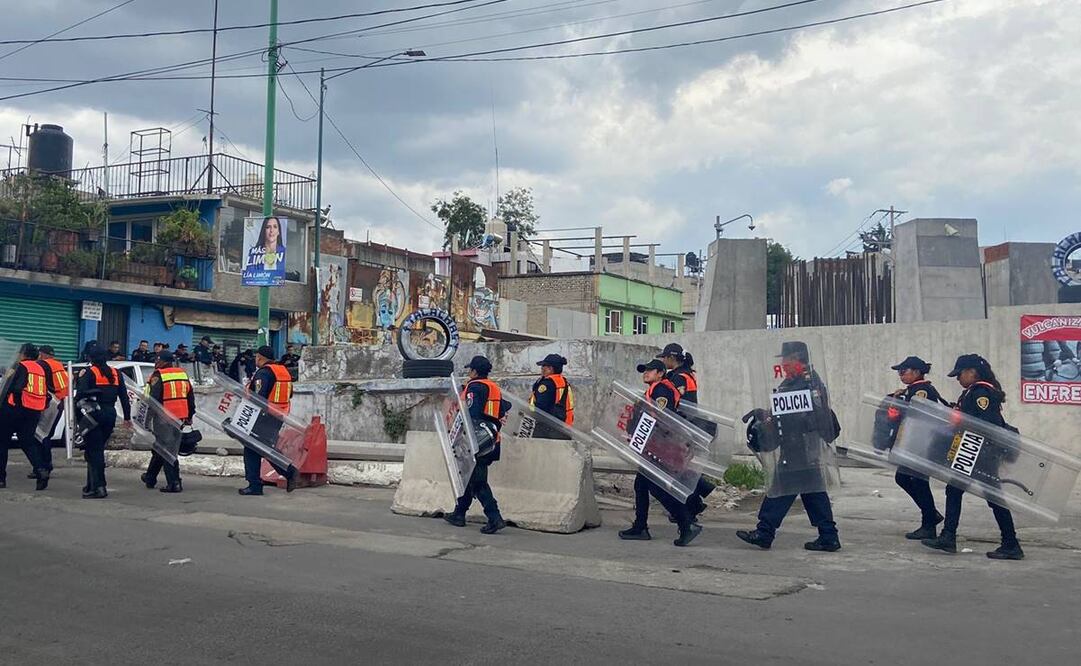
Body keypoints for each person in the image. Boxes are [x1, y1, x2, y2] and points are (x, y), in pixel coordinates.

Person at [737, 341, 841, 552]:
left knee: (781, 489)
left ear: (797, 359)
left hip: (801, 447)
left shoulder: (809, 383)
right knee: (813, 492)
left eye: (786, 359)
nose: (783, 364)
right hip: (797, 447)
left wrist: (772, 417)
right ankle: (828, 536)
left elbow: (802, 415)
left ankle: (765, 532)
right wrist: (764, 415)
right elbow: (785, 410)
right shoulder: (794, 382)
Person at [922, 354, 1024, 560]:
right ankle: (949, 536)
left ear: (972, 372)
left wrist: (959, 420)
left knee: (992, 498)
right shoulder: (974, 391)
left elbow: (987, 425)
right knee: (955, 490)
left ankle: (1010, 544)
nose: (958, 378)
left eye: (960, 374)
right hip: (973, 452)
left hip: (981, 454)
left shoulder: (981, 393)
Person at [618, 359, 703, 547]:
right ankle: (640, 526)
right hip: (652, 446)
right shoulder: (654, 389)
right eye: (644, 371)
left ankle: (686, 523)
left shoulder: (662, 389)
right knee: (641, 485)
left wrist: (643, 436)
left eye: (650, 370)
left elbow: (663, 418)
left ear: (660, 373)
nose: (645, 373)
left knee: (656, 487)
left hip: (659, 447)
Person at [886, 356, 950, 540]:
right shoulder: (914, 389)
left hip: (922, 445)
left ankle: (929, 523)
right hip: (915, 444)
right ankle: (930, 516)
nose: (900, 375)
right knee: (905, 478)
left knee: (917, 481)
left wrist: (900, 402)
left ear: (916, 372)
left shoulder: (922, 390)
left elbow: (917, 415)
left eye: (903, 371)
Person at [443, 356, 508, 534]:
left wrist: (462, 438)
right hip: (491, 440)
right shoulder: (493, 387)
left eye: (470, 370)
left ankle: (495, 518)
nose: (468, 372)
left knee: (478, 482)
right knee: (469, 477)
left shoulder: (474, 387)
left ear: (475, 371)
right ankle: (459, 513)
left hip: (476, 441)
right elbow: (503, 409)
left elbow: (471, 414)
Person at [657, 342, 716, 522]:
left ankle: (693, 504)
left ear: (672, 358)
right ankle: (696, 500)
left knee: (674, 470)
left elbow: (674, 403)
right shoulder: (686, 374)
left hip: (680, 428)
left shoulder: (679, 378)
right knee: (677, 469)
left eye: (665, 357)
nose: (663, 360)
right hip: (686, 427)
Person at [238, 346, 297, 496]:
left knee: (252, 448)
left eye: (256, 357)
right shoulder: (283, 371)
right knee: (264, 447)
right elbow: (290, 393)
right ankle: (288, 471)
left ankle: (256, 485)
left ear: (260, 357)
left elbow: (259, 396)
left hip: (263, 416)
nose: (255, 359)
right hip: (278, 415)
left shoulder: (263, 373)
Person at [74, 347, 131, 499]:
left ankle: (99, 487)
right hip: (110, 414)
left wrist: (78, 418)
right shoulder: (116, 373)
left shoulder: (89, 372)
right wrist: (127, 417)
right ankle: (91, 485)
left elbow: (80, 394)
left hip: (93, 413)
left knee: (94, 451)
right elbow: (124, 397)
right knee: (96, 449)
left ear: (91, 359)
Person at [140, 351, 195, 493]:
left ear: (163, 361)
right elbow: (190, 396)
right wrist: (190, 415)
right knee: (162, 447)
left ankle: (174, 482)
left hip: (163, 417)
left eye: (157, 360)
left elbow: (153, 401)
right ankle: (150, 477)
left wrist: (146, 420)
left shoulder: (159, 375)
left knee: (166, 450)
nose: (156, 362)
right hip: (180, 417)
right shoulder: (182, 374)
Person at [0, 343, 51, 490]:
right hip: (34, 410)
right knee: (27, 442)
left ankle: (1, 478)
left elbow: (12, 387)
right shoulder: (40, 368)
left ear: (23, 354)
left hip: (14, 409)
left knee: (2, 442)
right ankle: (41, 469)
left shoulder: (19, 366)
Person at [34, 345, 70, 478]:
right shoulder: (58, 365)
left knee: (41, 435)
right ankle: (44, 465)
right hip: (60, 402)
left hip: (49, 403)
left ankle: (43, 466)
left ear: (43, 354)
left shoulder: (42, 365)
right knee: (46, 435)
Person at [529, 353, 573, 439]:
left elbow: (540, 407)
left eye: (543, 366)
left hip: (547, 427)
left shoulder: (547, 384)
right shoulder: (563, 381)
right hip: (562, 426)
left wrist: (530, 413)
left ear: (550, 368)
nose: (541, 368)